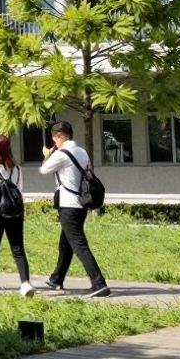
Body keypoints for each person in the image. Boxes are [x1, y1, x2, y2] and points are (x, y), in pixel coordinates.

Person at [40, 120, 110, 298]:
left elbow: (44, 170)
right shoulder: (82, 151)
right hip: (81, 203)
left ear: (60, 136)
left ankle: (99, 283)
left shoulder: (61, 153)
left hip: (68, 205)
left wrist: (48, 155)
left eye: (54, 138)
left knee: (79, 244)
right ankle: (57, 278)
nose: (54, 142)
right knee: (66, 244)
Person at [0, 134, 34, 297]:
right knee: (18, 249)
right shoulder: (17, 169)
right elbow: (19, 191)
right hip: (15, 214)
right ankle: (25, 283)